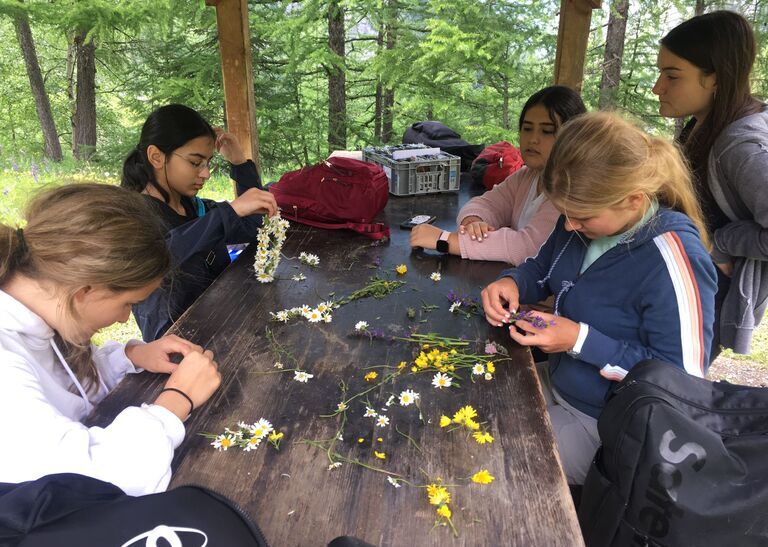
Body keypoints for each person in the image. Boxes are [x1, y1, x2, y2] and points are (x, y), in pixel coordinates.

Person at [480, 112, 717, 485]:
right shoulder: (580, 220)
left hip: (606, 421)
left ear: (633, 200)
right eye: (565, 214)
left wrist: (579, 340)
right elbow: (543, 267)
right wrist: (512, 282)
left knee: (492, 454)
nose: (570, 225)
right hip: (560, 382)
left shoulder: (673, 260)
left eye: (582, 217)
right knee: (475, 402)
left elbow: (680, 385)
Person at [0, 184, 221, 496]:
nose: (123, 318)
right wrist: (176, 400)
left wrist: (131, 356)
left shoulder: (38, 313)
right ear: (86, 291)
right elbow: (94, 480)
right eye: (127, 304)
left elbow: (66, 390)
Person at [653, 11, 768, 360]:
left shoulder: (740, 146)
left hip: (703, 302)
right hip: (680, 287)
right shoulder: (703, 124)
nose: (658, 87)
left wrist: (718, 244)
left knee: (661, 393)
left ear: (715, 79)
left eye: (672, 75)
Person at [122, 104, 278, 341]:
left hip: (221, 322)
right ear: (156, 156)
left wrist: (239, 164)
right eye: (195, 163)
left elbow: (251, 230)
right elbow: (160, 256)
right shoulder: (132, 218)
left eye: (207, 163)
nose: (205, 174)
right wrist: (229, 212)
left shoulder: (196, 207)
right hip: (177, 346)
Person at [409, 86, 586, 264]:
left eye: (547, 131)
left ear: (572, 137)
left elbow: (528, 248)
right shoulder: (528, 176)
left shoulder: (572, 191)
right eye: (527, 128)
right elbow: (485, 203)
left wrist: (444, 240)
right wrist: (474, 223)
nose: (533, 139)